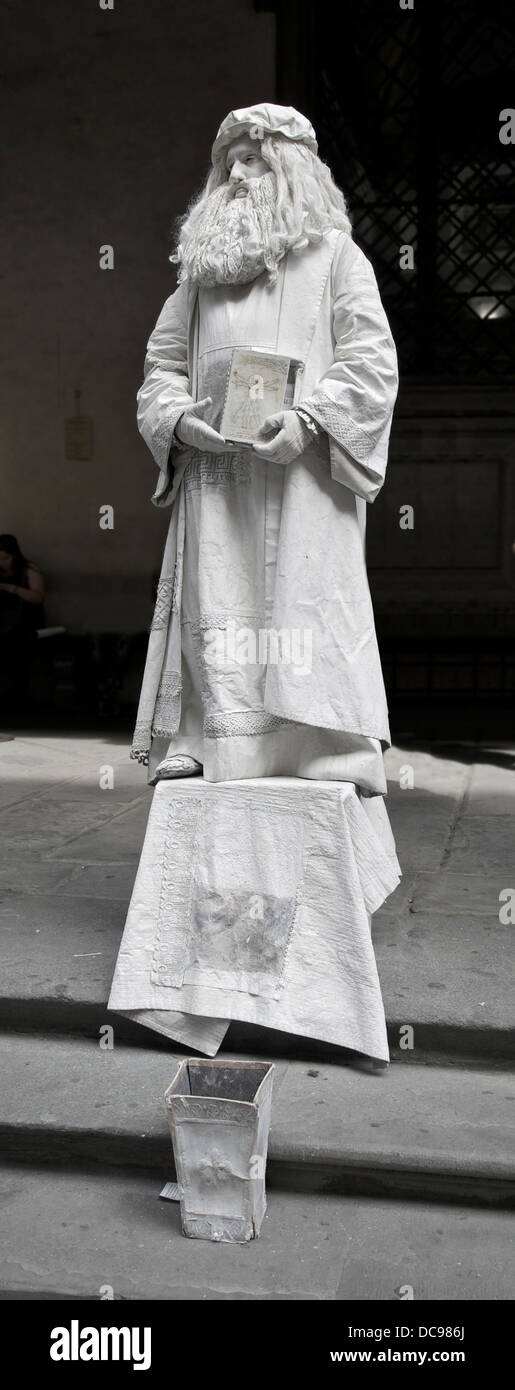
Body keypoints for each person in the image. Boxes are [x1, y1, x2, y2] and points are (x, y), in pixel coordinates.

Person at [109, 104, 401, 1062]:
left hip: (303, 490)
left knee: (301, 617)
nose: (243, 168)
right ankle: (214, 740)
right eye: (229, 153)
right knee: (220, 619)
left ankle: (313, 745)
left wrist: (312, 420)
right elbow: (155, 371)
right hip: (219, 487)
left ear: (300, 169)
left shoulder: (337, 262)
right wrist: (182, 422)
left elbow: (370, 361)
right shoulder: (197, 277)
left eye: (261, 153)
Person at [0, 534, 46, 708]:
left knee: (16, 647)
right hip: (4, 620)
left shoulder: (27, 569)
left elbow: (38, 596)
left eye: (5, 558)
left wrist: (12, 588)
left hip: (25, 621)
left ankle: (17, 697)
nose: (2, 563)